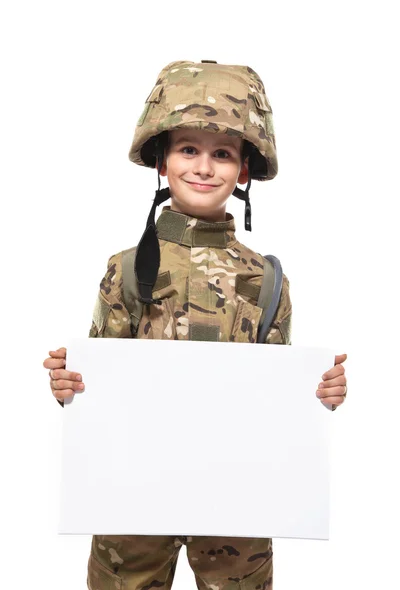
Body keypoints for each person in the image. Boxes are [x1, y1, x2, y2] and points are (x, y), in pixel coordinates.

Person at [43, 60, 348, 590]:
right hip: (130, 497)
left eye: (223, 153)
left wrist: (318, 393)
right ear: (162, 161)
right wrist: (68, 384)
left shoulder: (267, 278)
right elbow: (94, 392)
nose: (204, 167)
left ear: (244, 169)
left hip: (239, 503)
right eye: (188, 149)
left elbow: (279, 404)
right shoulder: (125, 268)